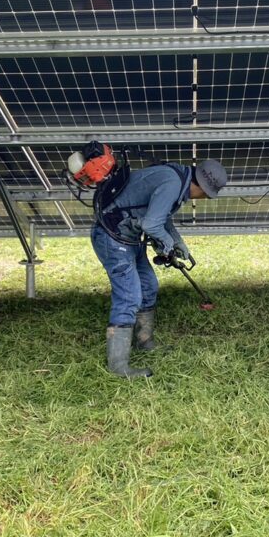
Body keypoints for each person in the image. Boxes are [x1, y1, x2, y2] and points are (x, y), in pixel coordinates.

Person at [91, 158, 227, 378]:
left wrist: (177, 242)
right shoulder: (172, 183)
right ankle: (118, 367)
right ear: (201, 187)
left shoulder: (176, 177)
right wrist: (168, 243)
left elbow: (161, 217)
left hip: (128, 237)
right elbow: (151, 224)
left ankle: (144, 342)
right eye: (205, 195)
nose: (201, 198)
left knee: (149, 286)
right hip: (112, 238)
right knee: (129, 296)